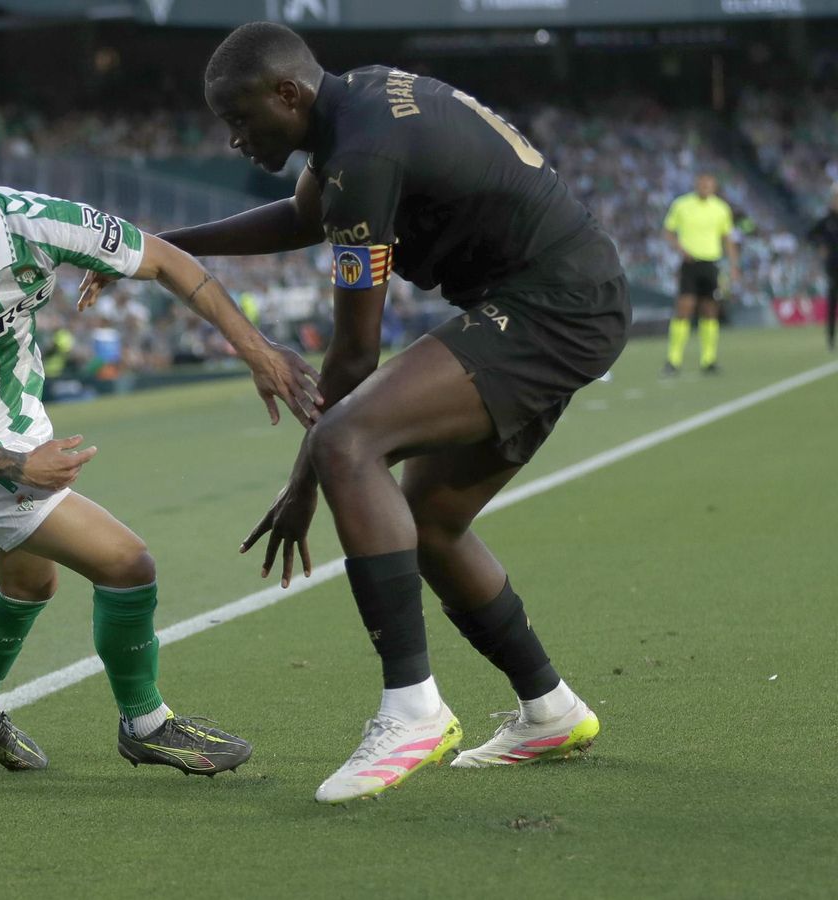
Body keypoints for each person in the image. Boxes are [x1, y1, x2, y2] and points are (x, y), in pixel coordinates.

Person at [84, 23, 625, 802]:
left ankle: (413, 709)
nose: (236, 141)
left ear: (287, 94)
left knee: (347, 441)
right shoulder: (356, 105)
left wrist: (307, 484)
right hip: (560, 296)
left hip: (550, 308)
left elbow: (351, 359)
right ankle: (551, 709)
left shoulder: (364, 155)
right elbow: (304, 218)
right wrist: (159, 248)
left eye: (242, 121)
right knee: (431, 521)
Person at [0, 152, 320, 775]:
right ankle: (146, 724)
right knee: (128, 563)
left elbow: (166, 261)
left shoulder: (42, 225)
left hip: (20, 419)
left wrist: (257, 351)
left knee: (28, 584)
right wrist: (18, 466)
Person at [662, 174, 739, 375]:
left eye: (709, 184)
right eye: (702, 183)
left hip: (711, 263)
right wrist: (680, 249)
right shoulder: (682, 205)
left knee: (710, 311)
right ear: (696, 184)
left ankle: (708, 360)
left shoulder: (721, 208)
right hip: (690, 263)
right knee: (683, 309)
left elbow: (727, 238)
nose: (705, 186)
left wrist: (733, 265)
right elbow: (668, 231)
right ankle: (673, 360)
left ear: (714, 186)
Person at [808, 185, 838, 352]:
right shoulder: (827, 221)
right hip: (833, 267)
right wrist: (820, 245)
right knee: (832, 303)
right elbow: (810, 235)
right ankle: (831, 340)